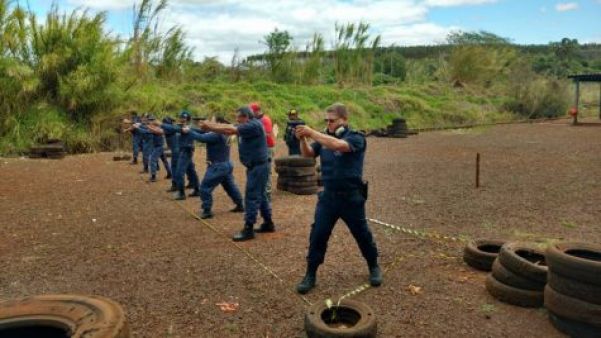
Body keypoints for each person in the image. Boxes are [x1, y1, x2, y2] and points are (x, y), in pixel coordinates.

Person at [294, 103, 382, 294]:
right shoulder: (325, 138)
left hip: (351, 198)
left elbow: (339, 146)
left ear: (344, 120)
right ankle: (310, 274)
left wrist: (312, 132)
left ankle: (374, 266)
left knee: (362, 234)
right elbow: (308, 154)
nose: (329, 124)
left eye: (332, 121)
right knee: (318, 235)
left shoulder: (356, 137)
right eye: (326, 120)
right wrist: (302, 139)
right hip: (328, 198)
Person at [199, 106, 275, 241]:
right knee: (261, 195)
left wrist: (209, 127)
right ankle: (268, 223)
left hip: (258, 167)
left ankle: (248, 228)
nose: (237, 119)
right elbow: (228, 126)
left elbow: (229, 129)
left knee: (251, 196)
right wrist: (210, 125)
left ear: (246, 116)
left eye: (239, 117)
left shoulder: (253, 125)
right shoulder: (248, 124)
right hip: (255, 166)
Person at [180, 116, 244, 219]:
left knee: (204, 188)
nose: (210, 122)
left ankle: (207, 210)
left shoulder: (216, 135)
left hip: (217, 166)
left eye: (213, 121)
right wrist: (192, 128)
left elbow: (201, 138)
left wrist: (188, 131)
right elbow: (203, 132)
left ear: (218, 123)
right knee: (230, 187)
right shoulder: (225, 133)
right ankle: (240, 204)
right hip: (226, 164)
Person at [153, 111, 200, 200]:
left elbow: (172, 128)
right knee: (191, 171)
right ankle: (197, 189)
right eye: (181, 117)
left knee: (179, 172)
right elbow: (173, 128)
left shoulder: (188, 127)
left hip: (186, 151)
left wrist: (161, 124)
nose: (182, 119)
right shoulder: (180, 126)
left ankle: (181, 193)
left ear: (188, 119)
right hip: (184, 151)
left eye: (184, 118)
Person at [249, 102, 275, 201]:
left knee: (266, 171)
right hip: (262, 148)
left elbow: (266, 133)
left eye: (251, 112)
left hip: (267, 148)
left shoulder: (265, 120)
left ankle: (267, 195)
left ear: (256, 111)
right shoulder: (257, 119)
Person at [143, 116, 172, 182]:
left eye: (152, 120)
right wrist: (144, 126)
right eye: (150, 120)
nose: (150, 121)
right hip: (157, 146)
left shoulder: (160, 127)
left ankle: (153, 176)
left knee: (152, 159)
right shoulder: (153, 127)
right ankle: (170, 173)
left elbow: (158, 131)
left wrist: (149, 126)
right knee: (164, 161)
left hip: (159, 146)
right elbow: (146, 130)